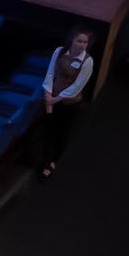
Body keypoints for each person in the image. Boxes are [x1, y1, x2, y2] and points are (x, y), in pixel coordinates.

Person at [39, 29, 94, 178]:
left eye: (85, 42)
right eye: (79, 41)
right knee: (48, 131)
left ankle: (52, 162)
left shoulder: (87, 61)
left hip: (68, 103)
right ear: (72, 40)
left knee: (62, 133)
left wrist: (55, 100)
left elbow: (77, 86)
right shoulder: (60, 51)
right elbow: (51, 73)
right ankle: (46, 161)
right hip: (51, 98)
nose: (82, 45)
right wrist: (48, 94)